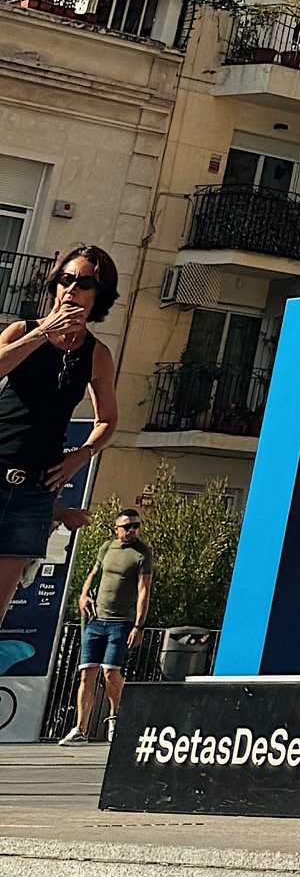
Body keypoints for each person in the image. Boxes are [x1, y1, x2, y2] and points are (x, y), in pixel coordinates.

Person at [0, 246, 119, 633]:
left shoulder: (97, 354)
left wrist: (80, 456)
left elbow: (108, 420)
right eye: (66, 280)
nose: (71, 289)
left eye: (84, 283)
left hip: (33, 488)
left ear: (98, 295)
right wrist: (41, 334)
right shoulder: (22, 330)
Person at [70, 504, 150, 742]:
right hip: (96, 619)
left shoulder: (142, 553)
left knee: (110, 672)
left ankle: (117, 716)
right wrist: (83, 594)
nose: (133, 530)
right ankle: (80, 729)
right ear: (116, 529)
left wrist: (139, 626)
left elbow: (144, 590)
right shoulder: (107, 547)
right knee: (87, 673)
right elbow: (94, 574)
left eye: (136, 526)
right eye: (127, 526)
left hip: (121, 622)